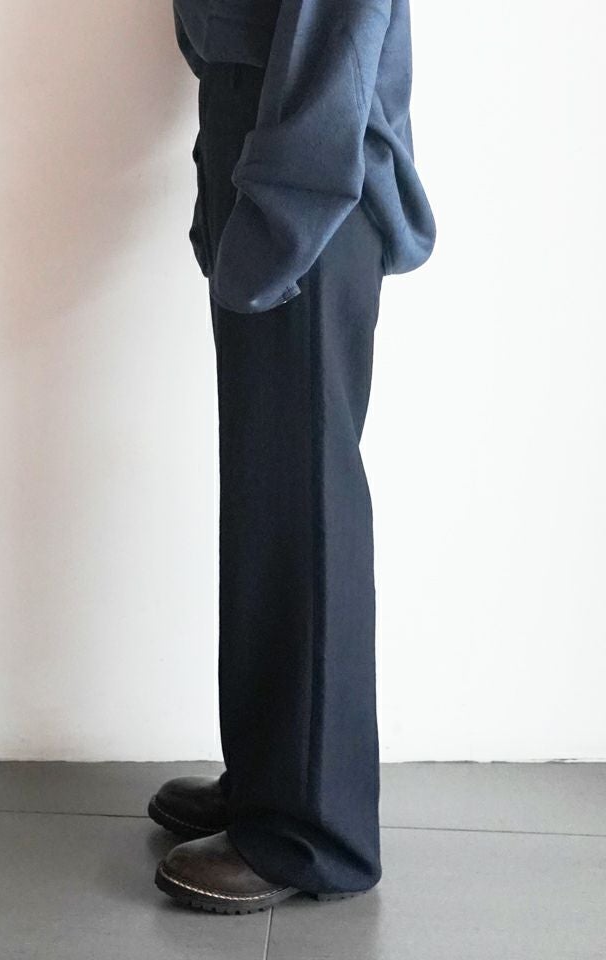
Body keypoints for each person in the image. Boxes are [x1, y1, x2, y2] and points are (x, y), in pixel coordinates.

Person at [149, 0, 436, 914]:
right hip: (267, 126)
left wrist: (287, 196)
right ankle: (272, 777)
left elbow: (339, 22)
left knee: (304, 499)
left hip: (308, 153)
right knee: (270, 489)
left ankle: (313, 830)